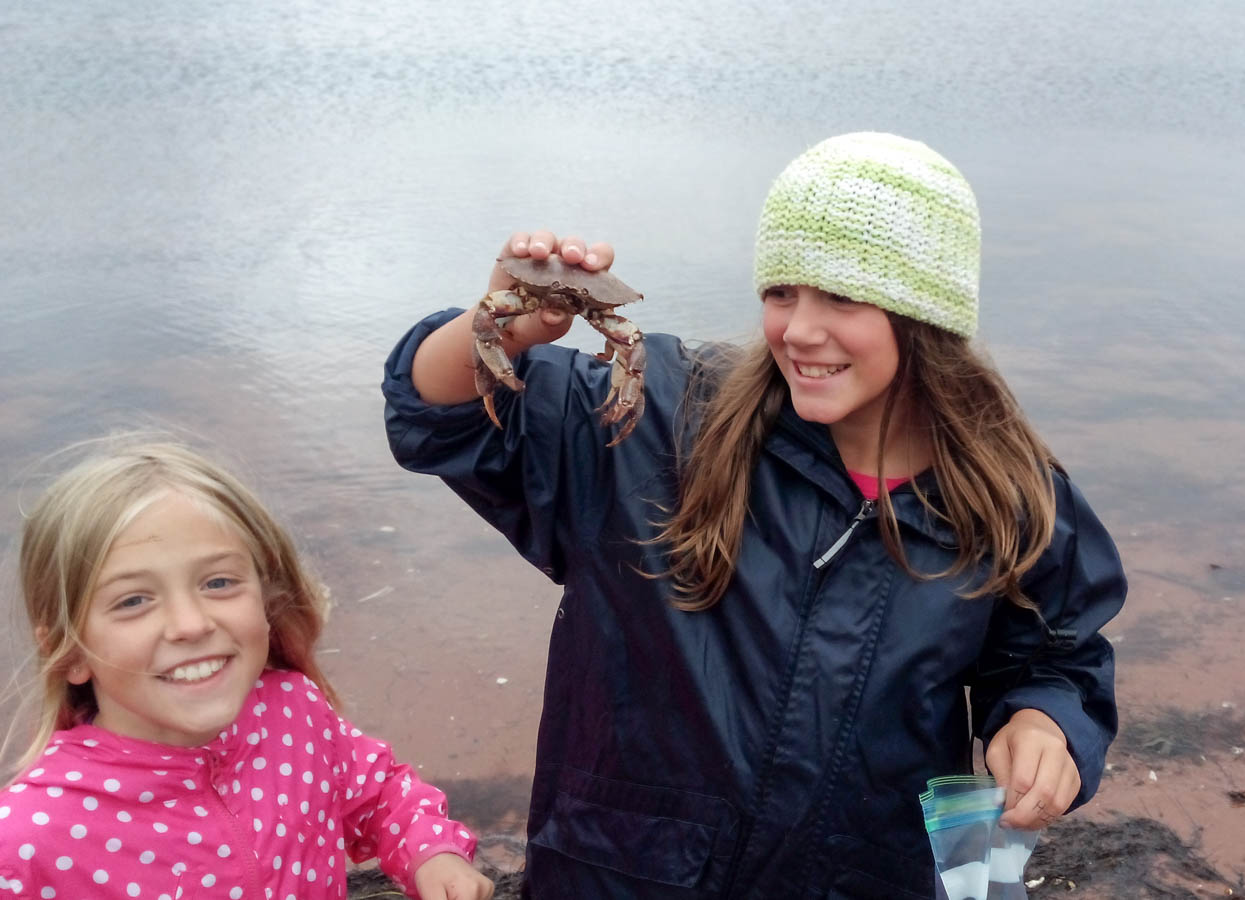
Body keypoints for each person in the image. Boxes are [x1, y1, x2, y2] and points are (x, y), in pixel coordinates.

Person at [383, 132, 1127, 898]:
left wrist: (1043, 723)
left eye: (841, 297)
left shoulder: (1007, 494)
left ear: (926, 314)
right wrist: (499, 326)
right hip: (621, 873)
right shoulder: (656, 418)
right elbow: (433, 417)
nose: (798, 330)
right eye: (781, 292)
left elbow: (1056, 658)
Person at [1, 440, 493, 900]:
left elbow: (379, 793)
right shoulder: (28, 840)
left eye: (218, 582)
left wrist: (432, 853)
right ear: (69, 651)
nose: (191, 624)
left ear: (266, 599)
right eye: (133, 600)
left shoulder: (294, 712)